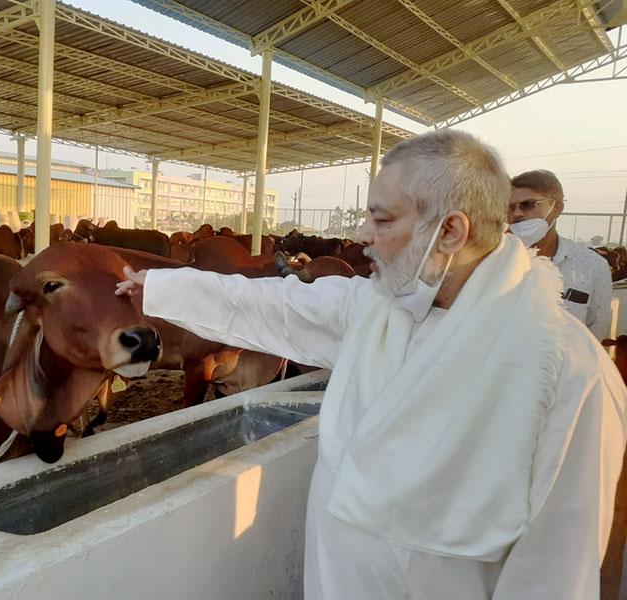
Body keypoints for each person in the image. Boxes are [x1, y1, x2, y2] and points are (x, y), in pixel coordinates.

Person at [116, 130, 627, 599]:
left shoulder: (564, 371)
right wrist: (162, 285)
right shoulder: (381, 307)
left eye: (382, 219)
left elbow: (555, 569)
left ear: (449, 231)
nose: (363, 234)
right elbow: (276, 305)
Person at [509, 169, 613, 340]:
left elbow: (596, 334)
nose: (517, 214)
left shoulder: (593, 267)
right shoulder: (496, 263)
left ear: (557, 207)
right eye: (511, 207)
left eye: (528, 204)